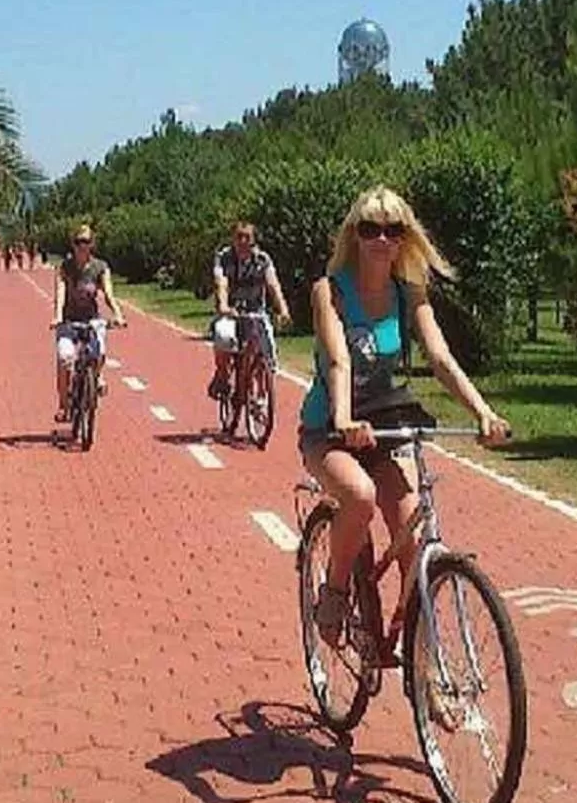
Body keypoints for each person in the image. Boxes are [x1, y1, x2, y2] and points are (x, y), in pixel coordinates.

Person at [298, 187, 510, 644]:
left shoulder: (409, 292)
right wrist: (343, 419)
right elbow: (339, 360)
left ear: (405, 238)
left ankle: (418, 654)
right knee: (358, 496)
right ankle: (335, 592)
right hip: (330, 427)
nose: (382, 239)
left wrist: (483, 412)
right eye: (370, 229)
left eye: (393, 230)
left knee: (414, 541)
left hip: (387, 424)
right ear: (354, 235)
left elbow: (440, 357)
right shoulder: (329, 291)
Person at [207, 221, 291, 400]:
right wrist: (223, 306)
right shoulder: (224, 257)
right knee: (223, 337)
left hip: (255, 312)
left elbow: (272, 284)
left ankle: (261, 391)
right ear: (233, 239)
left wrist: (282, 309)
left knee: (266, 348)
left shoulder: (262, 259)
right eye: (239, 237)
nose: (243, 241)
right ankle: (222, 374)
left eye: (247, 237)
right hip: (231, 312)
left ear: (253, 240)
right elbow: (221, 283)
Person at [51, 225, 126, 422]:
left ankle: (97, 376)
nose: (81, 246)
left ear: (92, 244)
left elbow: (108, 294)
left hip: (92, 320)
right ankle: (63, 405)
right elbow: (60, 292)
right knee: (64, 358)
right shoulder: (65, 267)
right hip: (69, 321)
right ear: (73, 245)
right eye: (78, 242)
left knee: (99, 352)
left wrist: (117, 314)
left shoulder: (100, 267)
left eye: (85, 242)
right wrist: (57, 316)